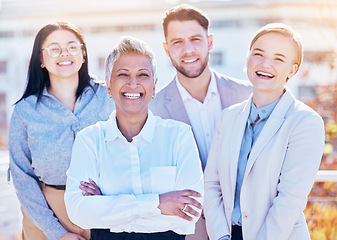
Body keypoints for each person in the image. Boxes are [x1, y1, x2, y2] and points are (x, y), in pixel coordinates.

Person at [64, 36, 204, 240]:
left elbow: (189, 213)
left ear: (154, 86)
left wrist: (107, 205)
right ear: (109, 86)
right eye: (123, 74)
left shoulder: (179, 136)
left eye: (142, 74)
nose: (133, 83)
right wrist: (158, 203)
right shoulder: (89, 140)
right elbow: (79, 212)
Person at [204, 23, 325, 240]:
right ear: (247, 58)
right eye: (258, 54)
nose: (265, 64)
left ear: (293, 69)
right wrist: (221, 236)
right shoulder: (227, 117)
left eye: (279, 58)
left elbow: (289, 200)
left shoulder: (305, 122)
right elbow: (212, 185)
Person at [149, 4, 252, 239]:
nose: (188, 50)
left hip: (248, 225)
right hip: (191, 230)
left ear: (210, 42)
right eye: (177, 42)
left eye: (196, 39)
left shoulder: (246, 96)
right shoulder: (153, 110)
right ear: (166, 49)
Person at [8, 21, 115, 240]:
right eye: (54, 49)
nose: (64, 54)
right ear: (41, 59)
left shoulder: (109, 97)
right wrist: (56, 232)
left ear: (83, 54)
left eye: (72, 47)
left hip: (105, 207)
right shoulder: (25, 110)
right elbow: (22, 176)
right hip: (46, 213)